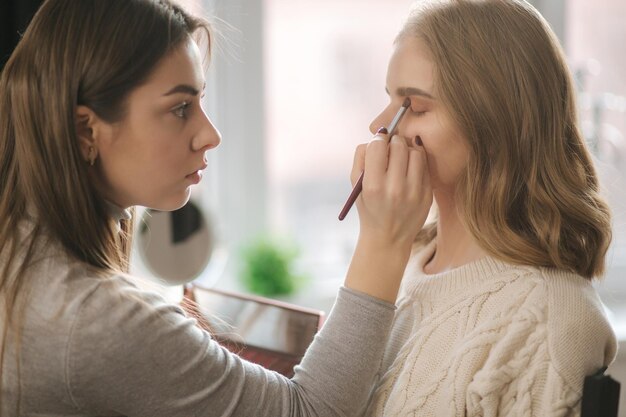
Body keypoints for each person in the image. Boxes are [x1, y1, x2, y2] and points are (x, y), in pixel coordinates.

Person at [0, 0, 433, 416]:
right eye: (180, 108)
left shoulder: (21, 258)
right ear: (85, 131)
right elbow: (311, 411)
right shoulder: (94, 319)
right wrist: (384, 239)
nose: (210, 134)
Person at [361, 0, 617, 415]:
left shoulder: (550, 319)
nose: (380, 126)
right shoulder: (400, 263)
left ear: (495, 123)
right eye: (391, 100)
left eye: (416, 107)